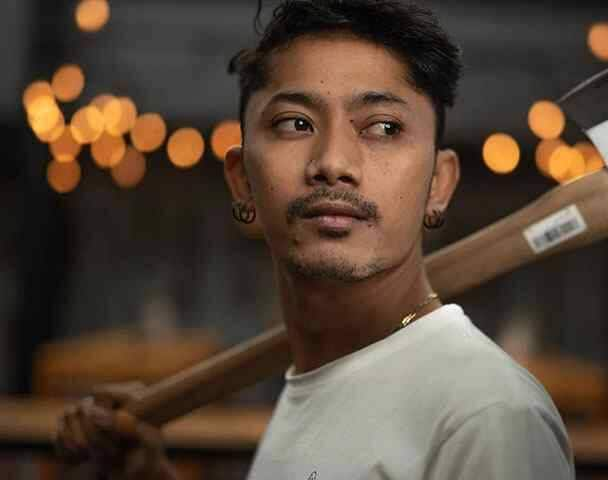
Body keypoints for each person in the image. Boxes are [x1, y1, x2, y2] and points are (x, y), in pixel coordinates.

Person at [54, 1, 575, 478]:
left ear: (438, 185)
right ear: (242, 180)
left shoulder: (486, 416)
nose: (333, 163)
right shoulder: (311, 385)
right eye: (296, 123)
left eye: (384, 128)